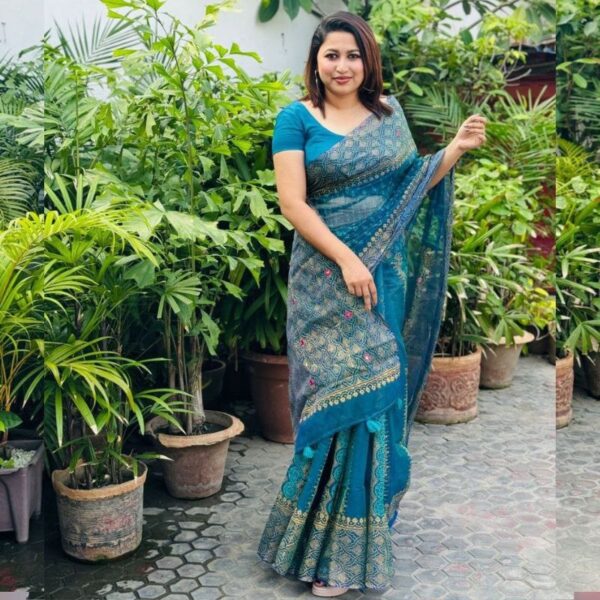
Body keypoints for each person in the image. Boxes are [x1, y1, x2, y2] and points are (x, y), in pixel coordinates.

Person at [257, 10, 487, 597]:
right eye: (331, 55)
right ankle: (316, 540)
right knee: (333, 399)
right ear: (315, 62)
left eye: (353, 55)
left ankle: (356, 540)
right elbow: (293, 203)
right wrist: (347, 259)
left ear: (368, 61)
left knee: (375, 397)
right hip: (324, 279)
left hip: (383, 277)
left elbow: (410, 187)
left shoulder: (389, 115)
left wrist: (455, 149)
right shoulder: (295, 119)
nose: (342, 66)